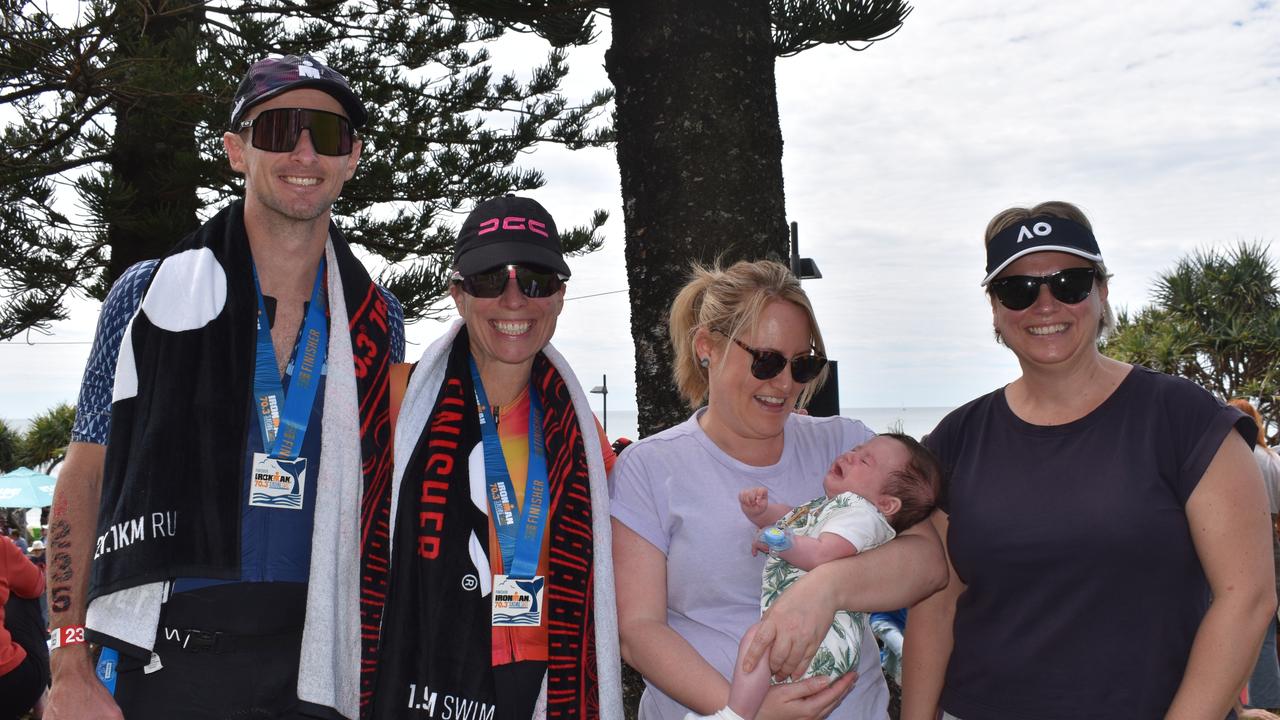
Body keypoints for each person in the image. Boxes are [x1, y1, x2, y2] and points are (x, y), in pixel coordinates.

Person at [44, 54, 405, 720]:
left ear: (351, 158)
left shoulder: (377, 323)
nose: (304, 152)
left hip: (318, 675)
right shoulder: (145, 296)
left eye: (326, 135)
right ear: (236, 150)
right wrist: (68, 662)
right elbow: (84, 475)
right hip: (171, 666)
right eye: (279, 129)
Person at [900, 201, 1276, 719]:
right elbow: (935, 603)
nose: (1045, 304)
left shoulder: (1184, 419)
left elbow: (1248, 597)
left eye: (1069, 283)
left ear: (1102, 292)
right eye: (1018, 289)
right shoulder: (957, 438)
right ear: (995, 309)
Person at [611, 259, 949, 720]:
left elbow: (929, 564)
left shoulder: (849, 447)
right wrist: (741, 713)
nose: (785, 383)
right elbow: (639, 630)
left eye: (802, 364)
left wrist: (826, 586)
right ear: (707, 347)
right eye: (767, 360)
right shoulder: (649, 466)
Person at [369, 194, 623, 720]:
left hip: (541, 685)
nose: (514, 300)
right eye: (489, 279)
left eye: (535, 281)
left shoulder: (577, 428)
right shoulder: (396, 400)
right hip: (421, 675)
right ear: (458, 294)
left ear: (558, 297)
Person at [690, 433, 941, 720]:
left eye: (864, 461)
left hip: (823, 638)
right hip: (813, 635)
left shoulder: (862, 516)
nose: (849, 456)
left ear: (886, 505)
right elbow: (795, 519)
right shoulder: (834, 510)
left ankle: (735, 715)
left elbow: (824, 553)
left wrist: (783, 543)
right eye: (854, 449)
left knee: (757, 641)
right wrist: (762, 513)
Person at [1230, 397, 1280, 711]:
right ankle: (1269, 698)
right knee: (1265, 618)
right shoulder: (1272, 457)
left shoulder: (1234, 453)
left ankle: (1237, 702)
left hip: (1235, 538)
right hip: (1272, 540)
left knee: (1234, 616)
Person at [1, 531, 46, 720]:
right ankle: (42, 700)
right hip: (11, 686)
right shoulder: (3, 545)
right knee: (22, 595)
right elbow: (36, 585)